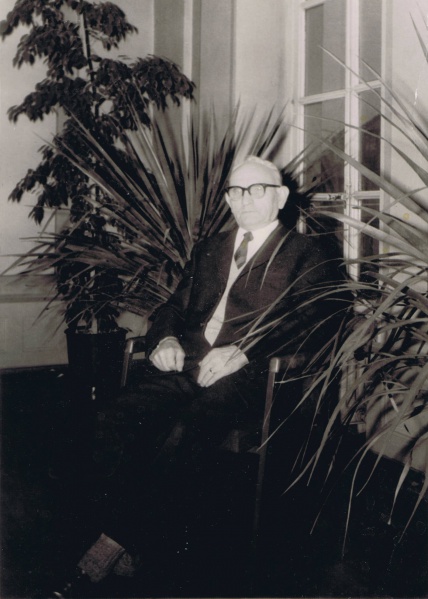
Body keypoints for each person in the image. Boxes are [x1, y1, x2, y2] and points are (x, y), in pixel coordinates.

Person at [52, 156, 350, 597]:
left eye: (257, 190)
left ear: (281, 196)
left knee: (183, 430)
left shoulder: (307, 252)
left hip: (251, 376)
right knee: (112, 419)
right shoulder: (211, 247)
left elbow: (317, 319)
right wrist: (165, 339)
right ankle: (129, 538)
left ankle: (112, 545)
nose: (245, 200)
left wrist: (245, 352)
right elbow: (174, 305)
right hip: (189, 363)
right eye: (236, 191)